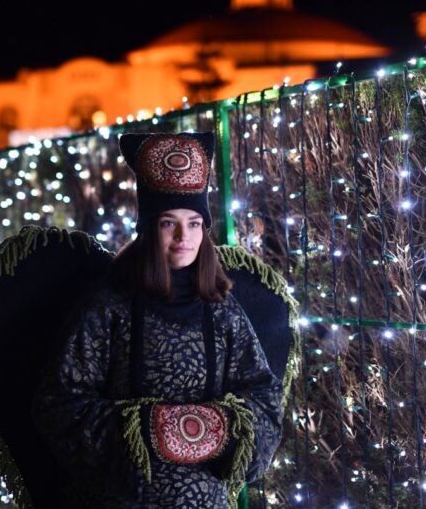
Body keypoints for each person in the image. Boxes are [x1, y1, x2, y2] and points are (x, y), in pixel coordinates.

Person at [33, 132, 284, 508]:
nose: (184, 236)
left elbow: (263, 396)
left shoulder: (222, 309)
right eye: (169, 222)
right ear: (149, 228)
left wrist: (220, 430)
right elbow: (59, 404)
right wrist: (147, 429)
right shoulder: (107, 307)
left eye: (195, 223)